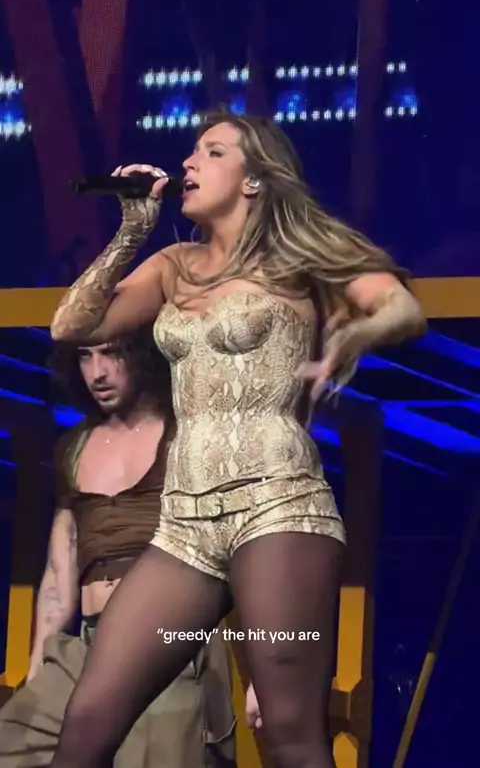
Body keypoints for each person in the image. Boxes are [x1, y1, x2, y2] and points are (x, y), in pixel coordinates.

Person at [48, 110, 426, 768]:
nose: (189, 162)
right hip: (184, 525)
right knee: (85, 727)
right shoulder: (175, 265)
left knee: (289, 735)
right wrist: (132, 231)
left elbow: (402, 308)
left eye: (212, 151)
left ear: (254, 180)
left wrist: (356, 335)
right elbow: (71, 327)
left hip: (277, 507)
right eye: (192, 151)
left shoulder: (299, 258)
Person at [0, 329, 236, 768]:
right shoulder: (73, 448)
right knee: (12, 743)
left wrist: (264, 673)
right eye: (85, 357)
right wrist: (38, 669)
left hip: (166, 641)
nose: (98, 373)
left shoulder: (187, 438)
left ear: (142, 355)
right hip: (88, 646)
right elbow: (60, 573)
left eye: (111, 354)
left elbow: (239, 547)